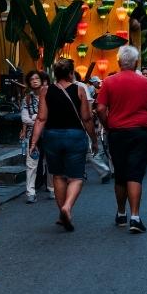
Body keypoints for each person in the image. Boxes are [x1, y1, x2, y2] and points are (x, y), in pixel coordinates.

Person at [95, 46, 147, 233]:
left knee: (120, 174)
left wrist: (107, 125)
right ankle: (135, 217)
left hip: (117, 132)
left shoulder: (108, 82)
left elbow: (100, 109)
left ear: (118, 62)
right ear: (136, 63)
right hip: (140, 132)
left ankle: (121, 213)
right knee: (135, 174)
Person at [29, 59, 97, 232]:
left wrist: (34, 141)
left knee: (58, 176)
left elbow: (41, 118)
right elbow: (87, 118)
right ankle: (67, 207)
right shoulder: (80, 90)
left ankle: (62, 212)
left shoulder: (45, 91)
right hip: (75, 136)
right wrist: (94, 139)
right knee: (76, 177)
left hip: (52, 136)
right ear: (70, 73)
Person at [20, 70, 51, 203]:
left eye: (36, 78)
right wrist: (39, 119)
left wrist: (37, 117)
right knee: (31, 164)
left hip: (49, 134)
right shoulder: (27, 98)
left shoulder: (50, 96)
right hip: (32, 135)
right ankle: (30, 192)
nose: (34, 80)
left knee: (50, 162)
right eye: (31, 79)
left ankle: (52, 188)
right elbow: (24, 118)